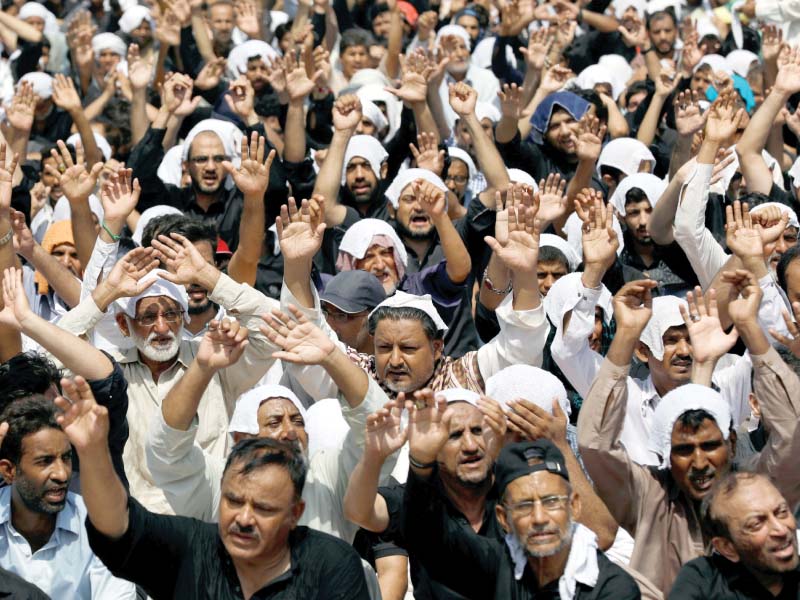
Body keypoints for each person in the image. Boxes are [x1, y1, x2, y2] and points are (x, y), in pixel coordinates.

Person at [50, 375, 371, 599]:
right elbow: (117, 525)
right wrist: (93, 453)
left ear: (295, 513)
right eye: (233, 501)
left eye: (263, 508)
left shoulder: (332, 564)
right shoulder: (191, 549)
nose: (243, 518)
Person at [577, 273, 800, 594]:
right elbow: (594, 443)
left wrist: (749, 328)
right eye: (684, 450)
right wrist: (626, 334)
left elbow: (792, 434)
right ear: (666, 455)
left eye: (710, 445)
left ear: (732, 442)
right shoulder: (650, 498)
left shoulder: (757, 488)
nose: (699, 462)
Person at [55, 239, 279, 513]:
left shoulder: (217, 359)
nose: (162, 327)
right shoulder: (109, 375)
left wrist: (209, 278)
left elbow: (278, 330)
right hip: (136, 529)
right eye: (149, 317)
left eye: (171, 313)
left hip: (206, 527)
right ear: (124, 325)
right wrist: (106, 293)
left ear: (184, 318)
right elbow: (48, 358)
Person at [400, 432, 640, 599]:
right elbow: (428, 536)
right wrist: (421, 461)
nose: (539, 518)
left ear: (574, 506)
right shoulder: (500, 562)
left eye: (551, 502)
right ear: (504, 518)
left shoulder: (612, 588)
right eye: (524, 505)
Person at [0, 395, 136, 598]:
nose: (62, 474)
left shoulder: (101, 524)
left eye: (66, 458)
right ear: (9, 471)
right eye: (45, 461)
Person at [669, 471, 800, 599]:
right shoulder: (702, 580)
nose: (781, 530)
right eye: (756, 524)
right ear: (727, 548)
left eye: (782, 512)